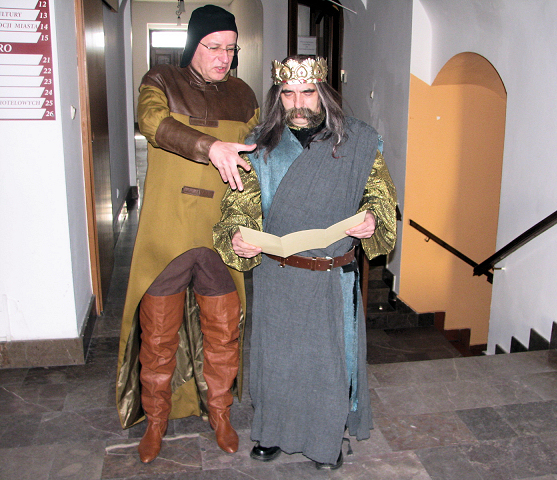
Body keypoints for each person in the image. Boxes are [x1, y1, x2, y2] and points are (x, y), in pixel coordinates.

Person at [212, 55, 397, 469]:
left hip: (333, 277)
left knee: (326, 367)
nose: (297, 103)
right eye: (288, 93)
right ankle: (271, 432)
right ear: (278, 95)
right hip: (279, 275)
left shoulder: (359, 141)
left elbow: (380, 197)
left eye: (307, 92)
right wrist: (239, 235)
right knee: (278, 362)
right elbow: (239, 203)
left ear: (324, 93)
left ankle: (326, 440)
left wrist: (372, 218)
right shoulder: (259, 144)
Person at [115, 5, 259, 464]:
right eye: (213, 47)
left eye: (230, 48)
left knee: (224, 333)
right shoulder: (160, 81)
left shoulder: (243, 95)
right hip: (168, 231)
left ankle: (220, 413)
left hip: (218, 234)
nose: (223, 57)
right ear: (193, 44)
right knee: (158, 338)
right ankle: (156, 420)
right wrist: (210, 147)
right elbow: (152, 124)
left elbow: (263, 152)